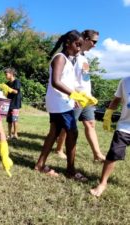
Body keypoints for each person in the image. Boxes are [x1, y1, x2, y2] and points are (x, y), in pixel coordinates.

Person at [34, 30, 95, 180]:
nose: (79, 48)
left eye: (81, 45)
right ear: (68, 43)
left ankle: (40, 165)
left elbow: (67, 82)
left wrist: (79, 97)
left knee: (54, 132)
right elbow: (56, 81)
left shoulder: (68, 59)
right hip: (60, 103)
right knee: (72, 133)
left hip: (61, 101)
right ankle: (71, 171)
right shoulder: (60, 58)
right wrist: (74, 95)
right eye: (77, 44)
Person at [55, 30, 104, 162]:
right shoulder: (72, 56)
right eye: (94, 41)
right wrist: (73, 96)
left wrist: (89, 95)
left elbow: (84, 78)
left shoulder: (84, 57)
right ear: (86, 39)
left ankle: (97, 155)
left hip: (86, 98)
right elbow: (67, 78)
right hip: (76, 97)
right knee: (69, 125)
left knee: (90, 124)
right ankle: (59, 149)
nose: (95, 45)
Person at [90, 77, 130, 196]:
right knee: (113, 153)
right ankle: (102, 183)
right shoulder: (125, 81)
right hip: (125, 126)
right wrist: (108, 115)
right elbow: (116, 100)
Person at [0, 68, 22, 139]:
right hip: (8, 103)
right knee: (9, 120)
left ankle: (15, 134)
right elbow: (6, 94)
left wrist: (8, 88)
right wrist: (3, 91)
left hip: (15, 103)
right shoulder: (7, 83)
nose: (5, 76)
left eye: (6, 74)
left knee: (14, 119)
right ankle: (9, 134)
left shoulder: (16, 81)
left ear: (11, 74)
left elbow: (16, 92)